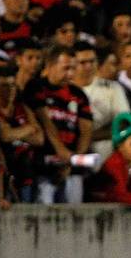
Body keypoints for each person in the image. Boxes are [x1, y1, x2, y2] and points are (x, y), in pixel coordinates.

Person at [24, 45, 93, 204]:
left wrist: (72, 160)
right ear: (50, 66)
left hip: (72, 168)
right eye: (66, 68)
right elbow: (45, 122)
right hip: (43, 166)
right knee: (45, 214)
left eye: (73, 69)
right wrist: (61, 151)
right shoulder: (36, 87)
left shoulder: (79, 94)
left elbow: (86, 130)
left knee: (75, 215)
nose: (70, 74)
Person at [0, 66, 43, 203]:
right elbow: (5, 135)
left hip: (27, 172)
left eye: (13, 85)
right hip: (2, 174)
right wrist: (28, 129)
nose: (11, 90)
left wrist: (15, 133)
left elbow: (40, 139)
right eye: (5, 86)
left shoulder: (22, 107)